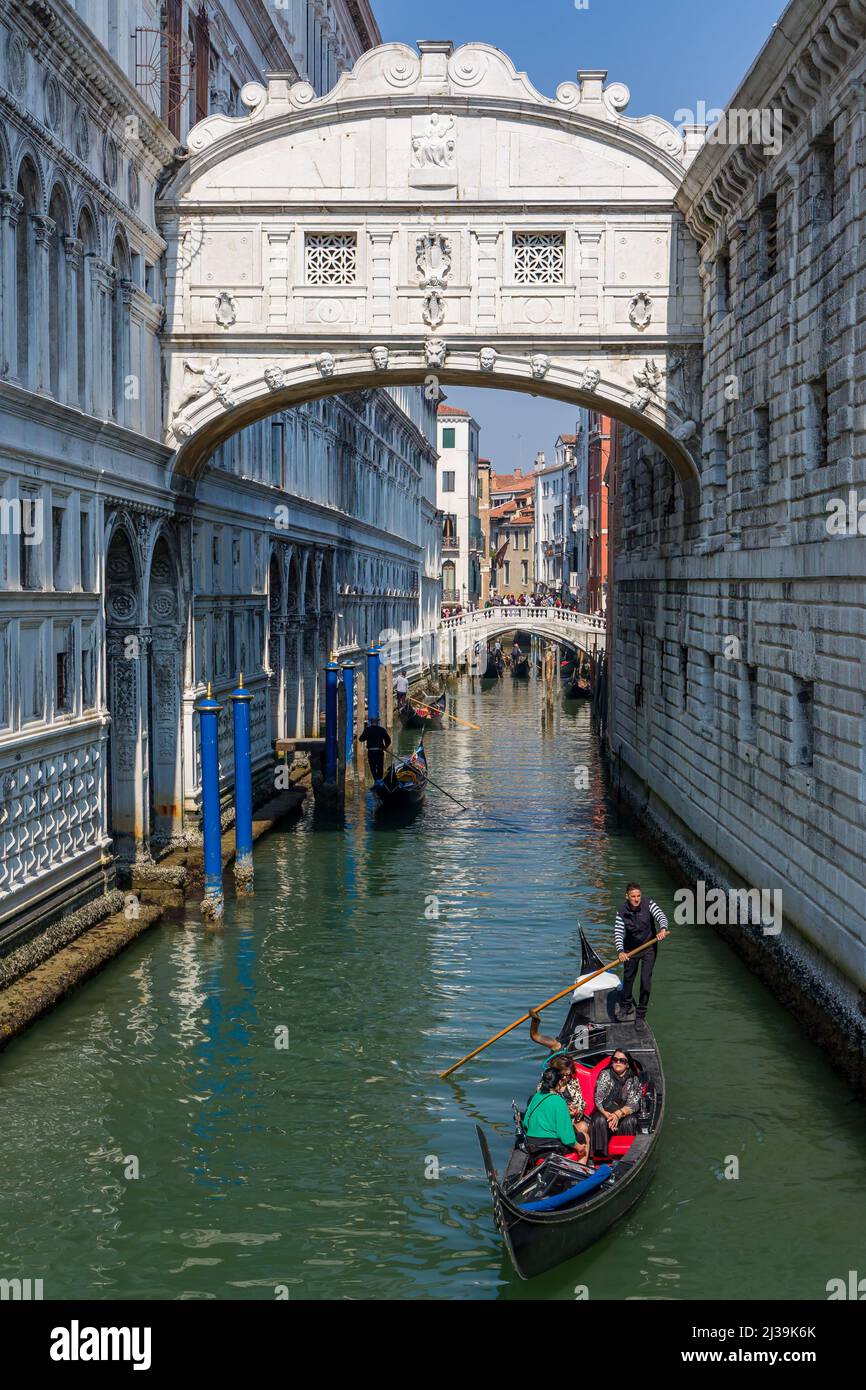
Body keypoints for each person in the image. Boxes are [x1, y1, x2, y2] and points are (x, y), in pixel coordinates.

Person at [614, 881, 669, 1027]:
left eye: (638, 895)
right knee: (628, 978)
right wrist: (620, 951)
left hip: (649, 947)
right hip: (630, 950)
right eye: (633, 896)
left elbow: (661, 917)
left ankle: (641, 1014)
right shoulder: (621, 911)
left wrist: (663, 929)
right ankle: (626, 1006)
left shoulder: (649, 904)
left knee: (645, 981)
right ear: (627, 896)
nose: (636, 899)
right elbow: (618, 933)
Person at [590, 1050, 642, 1154]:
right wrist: (608, 1115)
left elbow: (634, 1104)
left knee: (629, 1121)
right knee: (598, 1119)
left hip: (625, 1112)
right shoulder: (605, 1074)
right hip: (606, 1111)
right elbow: (598, 1100)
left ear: (627, 1065)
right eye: (615, 1059)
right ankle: (600, 1157)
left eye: (622, 1060)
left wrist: (618, 1114)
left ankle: (624, 1155)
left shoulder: (633, 1079)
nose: (618, 1062)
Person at [522, 1066, 580, 1154]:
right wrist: (580, 1148)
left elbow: (526, 1122)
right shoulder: (559, 1102)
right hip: (551, 1146)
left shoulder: (536, 1096)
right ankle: (581, 1166)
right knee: (583, 1139)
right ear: (560, 1082)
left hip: (532, 1144)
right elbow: (566, 1138)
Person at [359, 715, 391, 782]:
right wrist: (385, 747)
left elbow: (361, 739)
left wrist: (366, 732)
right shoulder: (382, 730)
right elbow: (388, 740)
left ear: (371, 722)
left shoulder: (367, 730)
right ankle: (379, 780)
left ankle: (376, 780)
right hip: (379, 751)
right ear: (377, 722)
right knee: (380, 767)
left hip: (371, 752)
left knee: (372, 767)